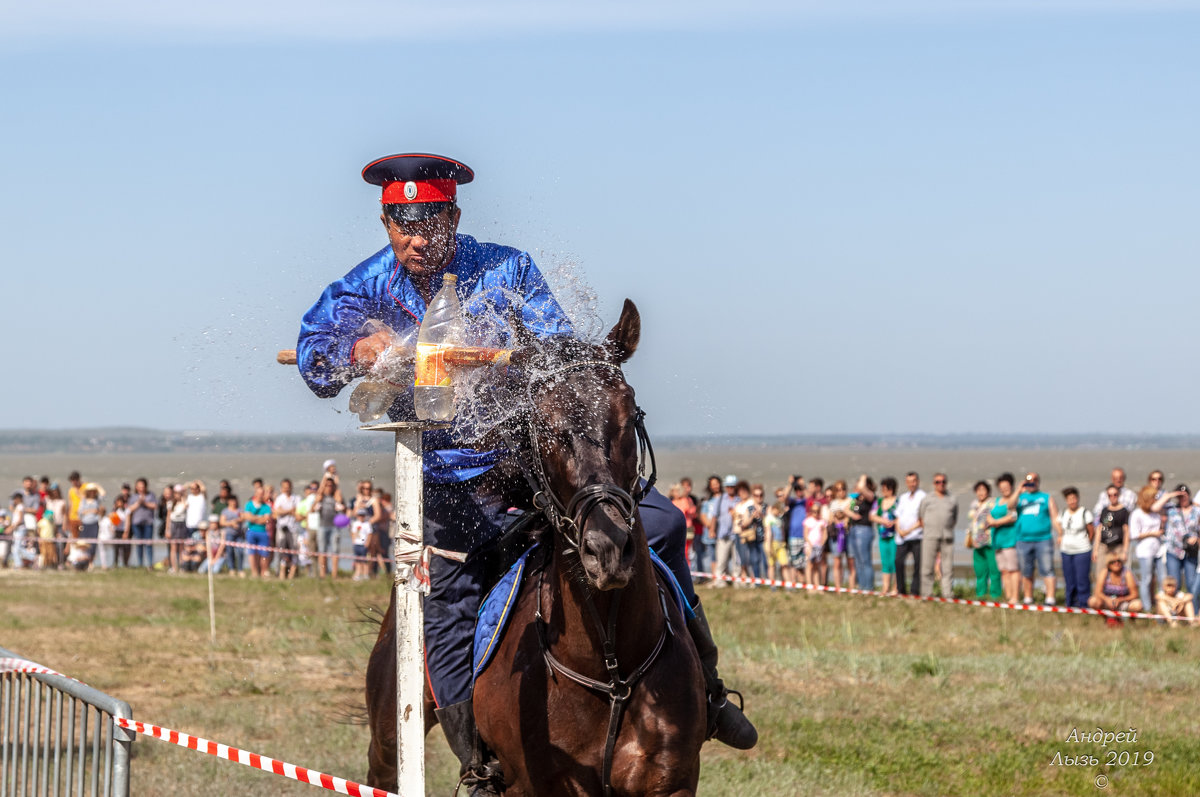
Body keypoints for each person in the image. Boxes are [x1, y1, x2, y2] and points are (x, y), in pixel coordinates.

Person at [295, 153, 756, 779]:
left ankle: (707, 685)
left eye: (430, 219)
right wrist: (357, 347)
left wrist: (508, 364)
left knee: (665, 525)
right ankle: (479, 758)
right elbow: (312, 354)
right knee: (449, 603)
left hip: (528, 470)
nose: (417, 236)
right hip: (447, 484)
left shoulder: (507, 268)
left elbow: (559, 358)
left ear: (453, 216)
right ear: (385, 224)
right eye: (403, 222)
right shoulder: (364, 287)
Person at [1154, 485, 1200, 615]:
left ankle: (1192, 613)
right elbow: (1155, 508)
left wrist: (1196, 540)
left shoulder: (1197, 511)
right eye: (1180, 496)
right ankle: (1173, 613)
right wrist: (1170, 495)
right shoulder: (1171, 509)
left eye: (1185, 495)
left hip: (1190, 552)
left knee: (1191, 584)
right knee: (1174, 583)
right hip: (1173, 551)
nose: (1183, 498)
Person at [917, 473, 957, 598]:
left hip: (947, 537)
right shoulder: (927, 499)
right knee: (927, 567)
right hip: (930, 536)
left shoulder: (952, 499)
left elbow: (954, 518)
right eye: (937, 482)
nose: (941, 484)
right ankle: (926, 593)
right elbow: (921, 517)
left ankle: (947, 594)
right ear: (934, 484)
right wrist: (929, 528)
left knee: (947, 568)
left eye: (943, 482)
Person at [1057, 487, 1094, 609]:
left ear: (1077, 498)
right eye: (1069, 499)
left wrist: (1087, 543)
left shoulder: (1084, 512)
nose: (1072, 501)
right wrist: (1060, 537)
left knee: (1082, 580)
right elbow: (1059, 527)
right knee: (1069, 580)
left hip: (1082, 550)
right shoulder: (1063, 513)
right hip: (1066, 550)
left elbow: (1091, 531)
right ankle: (1070, 605)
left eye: (1074, 498)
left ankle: (1084, 605)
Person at [1129, 485, 1163, 613]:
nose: (1156, 500)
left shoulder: (1155, 513)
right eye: (1154, 498)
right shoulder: (1137, 514)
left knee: (1162, 579)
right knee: (1146, 579)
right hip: (1145, 551)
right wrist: (1152, 534)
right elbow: (1134, 535)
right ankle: (1147, 608)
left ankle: (1161, 607)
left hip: (1158, 550)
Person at [965, 480, 1001, 600]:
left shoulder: (993, 503)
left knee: (994, 569)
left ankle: (995, 594)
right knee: (980, 570)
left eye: (983, 490)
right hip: (976, 541)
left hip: (990, 540)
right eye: (978, 490)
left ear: (988, 491)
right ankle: (980, 594)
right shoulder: (974, 504)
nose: (981, 493)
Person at [893, 472, 925, 596]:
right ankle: (901, 590)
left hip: (917, 535)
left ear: (917, 482)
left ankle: (914, 591)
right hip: (902, 537)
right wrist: (899, 530)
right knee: (898, 562)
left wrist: (908, 530)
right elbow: (897, 515)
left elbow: (922, 519)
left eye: (914, 481)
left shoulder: (922, 497)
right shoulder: (903, 497)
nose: (912, 484)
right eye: (909, 481)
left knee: (918, 564)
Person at [709, 475, 742, 587]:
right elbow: (714, 516)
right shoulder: (720, 499)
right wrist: (712, 530)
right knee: (721, 560)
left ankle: (737, 580)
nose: (730, 488)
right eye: (728, 486)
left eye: (732, 486)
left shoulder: (740, 500)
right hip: (723, 534)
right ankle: (719, 581)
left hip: (736, 534)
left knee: (737, 560)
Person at [870, 477, 899, 595]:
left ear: (891, 489)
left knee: (895, 562)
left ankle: (895, 588)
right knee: (885, 562)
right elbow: (872, 515)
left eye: (885, 488)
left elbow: (903, 516)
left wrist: (894, 522)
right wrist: (882, 521)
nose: (883, 491)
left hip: (895, 536)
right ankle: (885, 588)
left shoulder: (898, 501)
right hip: (883, 536)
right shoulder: (879, 502)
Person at [847, 475, 876, 591]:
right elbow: (846, 508)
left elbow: (862, 487)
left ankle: (868, 588)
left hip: (864, 530)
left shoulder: (871, 497)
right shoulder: (857, 498)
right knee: (858, 561)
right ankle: (861, 586)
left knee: (865, 560)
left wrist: (863, 477)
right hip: (854, 529)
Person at [733, 482, 766, 580]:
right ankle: (747, 577)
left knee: (754, 558)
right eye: (740, 491)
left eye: (744, 491)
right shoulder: (738, 504)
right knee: (743, 557)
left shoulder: (751, 503)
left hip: (753, 534)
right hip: (739, 532)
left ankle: (756, 578)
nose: (742, 493)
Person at [1093, 483, 1130, 568]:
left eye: (1115, 495)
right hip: (1104, 545)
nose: (1112, 497)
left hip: (1118, 546)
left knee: (1118, 572)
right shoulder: (1104, 510)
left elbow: (1126, 531)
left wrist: (1125, 551)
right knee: (1101, 572)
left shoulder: (1124, 511)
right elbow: (1100, 529)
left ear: (1119, 495)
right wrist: (1095, 550)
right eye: (1110, 495)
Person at [827, 480, 854, 589]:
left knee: (851, 561)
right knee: (837, 561)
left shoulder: (851, 501)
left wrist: (846, 518)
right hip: (837, 535)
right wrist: (836, 521)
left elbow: (853, 515)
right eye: (838, 490)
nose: (841, 492)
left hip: (849, 534)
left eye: (843, 489)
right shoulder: (833, 503)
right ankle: (838, 587)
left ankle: (852, 587)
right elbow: (830, 518)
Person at [242, 483, 273, 578]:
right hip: (251, 531)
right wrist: (260, 518)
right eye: (259, 493)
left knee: (264, 554)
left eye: (262, 493)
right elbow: (247, 517)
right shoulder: (249, 504)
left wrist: (254, 518)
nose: (260, 495)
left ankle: (263, 572)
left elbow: (267, 520)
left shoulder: (266, 507)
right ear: (255, 494)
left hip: (263, 532)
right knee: (252, 553)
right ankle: (254, 572)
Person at [273, 479, 301, 579]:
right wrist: (290, 511)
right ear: (281, 488)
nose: (286, 488)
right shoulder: (280, 498)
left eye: (288, 486)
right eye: (284, 486)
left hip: (293, 529)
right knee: (281, 551)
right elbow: (277, 512)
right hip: (282, 529)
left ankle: (292, 574)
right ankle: (281, 573)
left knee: (294, 550)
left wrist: (284, 511)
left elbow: (298, 514)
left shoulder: (297, 498)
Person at [128, 478, 157, 569]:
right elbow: (129, 509)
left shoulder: (151, 495)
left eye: (143, 487)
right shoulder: (133, 497)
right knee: (139, 544)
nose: (141, 488)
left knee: (148, 544)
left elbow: (155, 506)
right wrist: (138, 503)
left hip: (148, 523)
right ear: (136, 487)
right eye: (139, 487)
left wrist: (144, 503)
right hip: (136, 523)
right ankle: (140, 564)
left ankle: (150, 564)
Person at [803, 501, 828, 587]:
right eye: (814, 511)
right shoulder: (808, 521)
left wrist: (822, 543)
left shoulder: (822, 521)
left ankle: (817, 585)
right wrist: (810, 545)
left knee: (816, 566)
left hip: (818, 546)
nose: (816, 513)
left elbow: (825, 534)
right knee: (809, 565)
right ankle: (809, 585)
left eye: (817, 511)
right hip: (810, 546)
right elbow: (805, 535)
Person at [351, 506, 372, 581]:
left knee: (365, 560)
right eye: (360, 515)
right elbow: (353, 533)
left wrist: (367, 543)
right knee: (357, 560)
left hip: (363, 544)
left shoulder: (367, 524)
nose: (361, 517)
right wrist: (353, 541)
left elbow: (369, 534)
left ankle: (366, 574)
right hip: (357, 544)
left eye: (363, 515)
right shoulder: (355, 523)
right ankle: (358, 574)